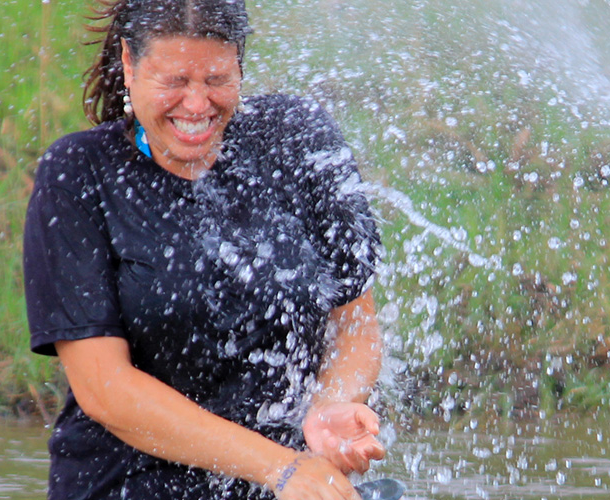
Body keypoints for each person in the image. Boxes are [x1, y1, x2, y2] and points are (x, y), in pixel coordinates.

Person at [21, 0, 387, 498]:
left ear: (239, 64)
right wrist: (280, 467)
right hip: (128, 485)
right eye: (174, 81)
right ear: (129, 62)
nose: (197, 105)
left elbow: (356, 324)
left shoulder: (298, 139)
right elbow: (105, 388)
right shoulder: (77, 173)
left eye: (217, 80)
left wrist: (330, 406)